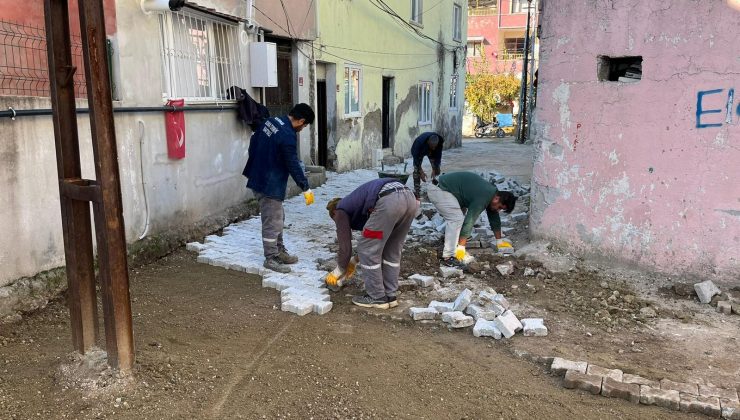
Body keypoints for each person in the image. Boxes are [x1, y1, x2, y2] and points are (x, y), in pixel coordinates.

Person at [243, 103, 316, 273]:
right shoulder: (287, 135)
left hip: (258, 174)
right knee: (272, 220)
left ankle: (279, 250)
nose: (303, 129)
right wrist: (305, 187)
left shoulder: (272, 121)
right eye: (304, 126)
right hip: (269, 182)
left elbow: (253, 142)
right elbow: (292, 163)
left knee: (278, 216)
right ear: (301, 121)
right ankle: (271, 257)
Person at [326, 178, 418, 309]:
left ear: (333, 213)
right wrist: (354, 261)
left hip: (389, 200)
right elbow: (377, 242)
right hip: (409, 198)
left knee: (367, 248)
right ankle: (390, 294)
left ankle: (377, 297)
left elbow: (346, 247)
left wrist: (338, 270)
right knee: (392, 249)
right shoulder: (358, 204)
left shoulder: (339, 210)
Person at [426, 171, 517, 267]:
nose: (498, 210)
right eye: (500, 207)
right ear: (497, 199)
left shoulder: (492, 194)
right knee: (456, 218)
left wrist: (499, 241)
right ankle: (448, 256)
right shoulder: (483, 197)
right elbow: (470, 220)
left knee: (459, 215)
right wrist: (461, 247)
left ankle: (453, 242)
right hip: (439, 190)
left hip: (448, 190)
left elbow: (494, 218)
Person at [410, 132, 444, 198]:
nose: (433, 148)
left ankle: (435, 188)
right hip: (420, 151)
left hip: (432, 151)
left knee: (437, 169)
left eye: (435, 147)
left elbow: (438, 156)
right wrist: (421, 172)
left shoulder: (439, 141)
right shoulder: (418, 143)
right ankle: (417, 191)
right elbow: (416, 160)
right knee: (417, 171)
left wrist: (434, 168)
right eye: (432, 147)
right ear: (428, 142)